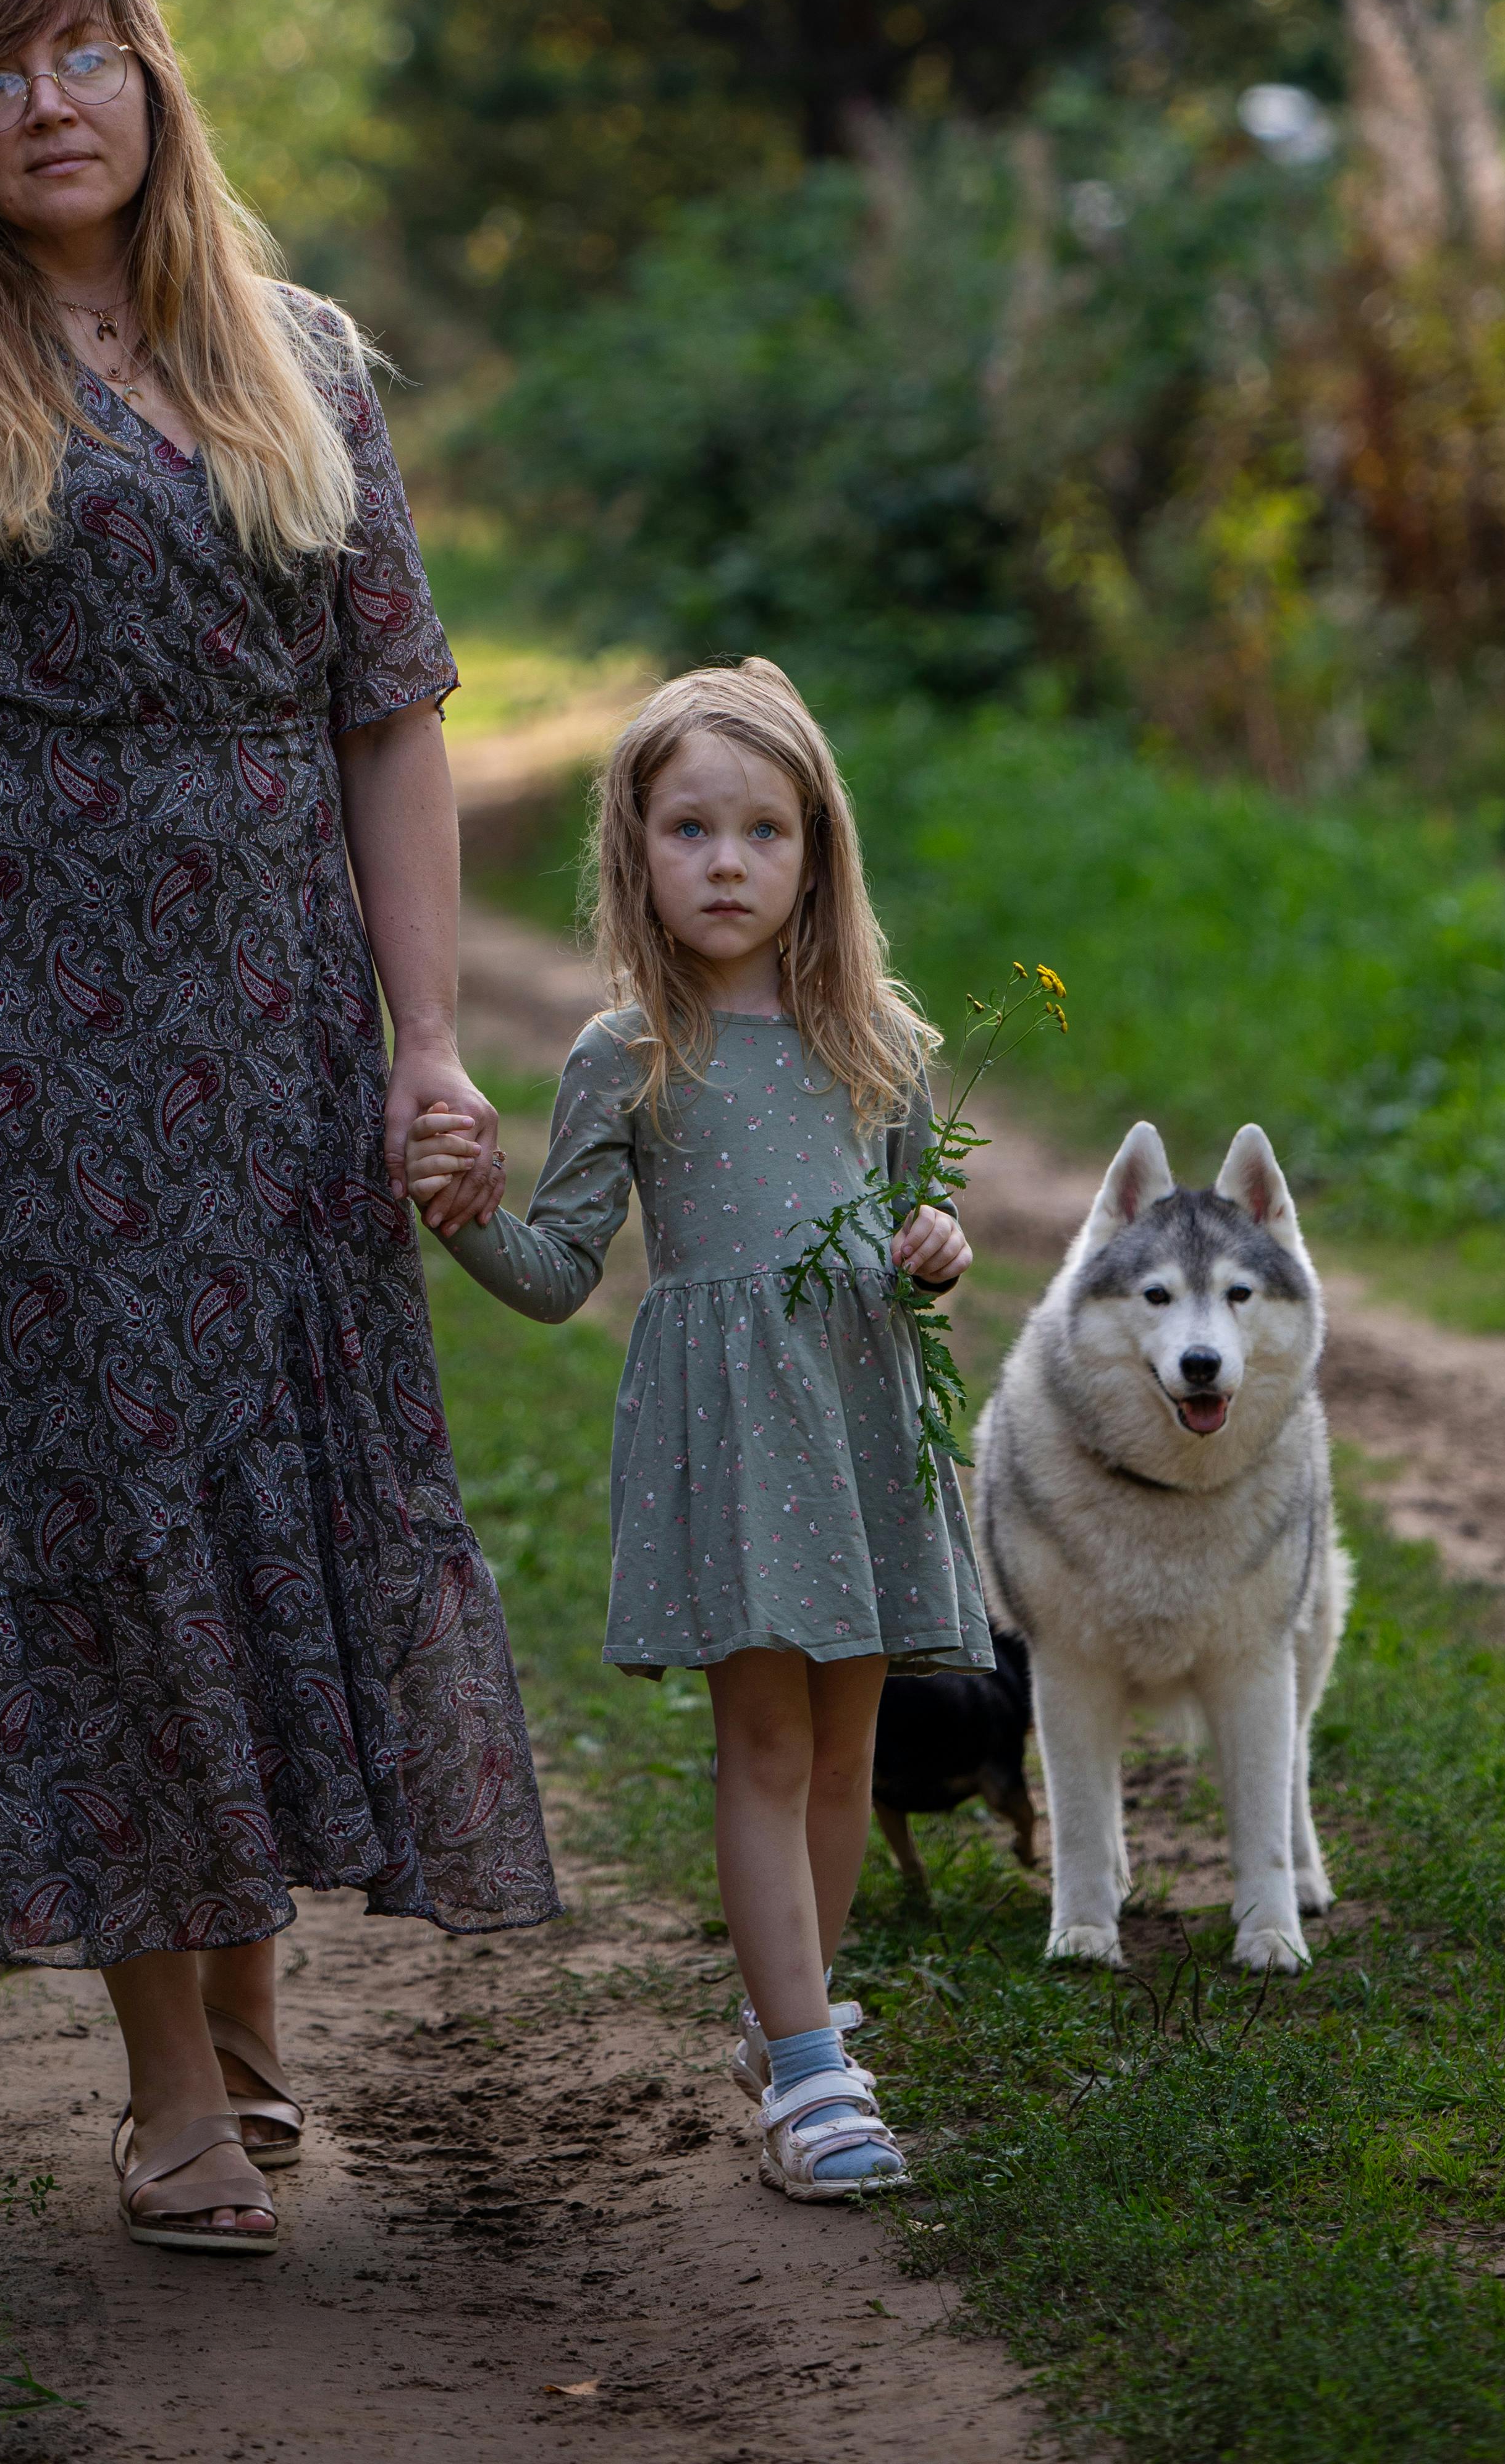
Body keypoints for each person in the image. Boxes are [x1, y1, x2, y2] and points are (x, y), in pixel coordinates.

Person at [0, 0, 555, 2258]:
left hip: (287, 1036)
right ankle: (170, 2074)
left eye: (88, 55)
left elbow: (388, 715)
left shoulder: (300, 361)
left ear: (156, 85)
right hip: (27, 1042)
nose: (51, 103)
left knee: (283, 1490)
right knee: (102, 1519)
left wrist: (426, 1042)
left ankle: (249, 1971)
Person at [404, 659, 982, 2203]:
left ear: (816, 853)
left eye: (762, 833)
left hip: (861, 1415)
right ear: (633, 849)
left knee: (852, 1740)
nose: (726, 864)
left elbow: (922, 1213)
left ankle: (790, 2022)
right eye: (689, 831)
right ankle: (809, 2075)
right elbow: (552, 1274)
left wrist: (939, 1246)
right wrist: (463, 1218)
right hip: (733, 1430)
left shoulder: (882, 1043)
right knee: (767, 1737)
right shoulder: (625, 1055)